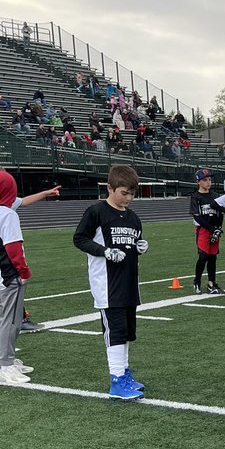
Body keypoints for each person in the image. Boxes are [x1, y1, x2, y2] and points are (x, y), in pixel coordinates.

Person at [73, 164, 148, 400]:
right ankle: (116, 381)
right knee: (114, 331)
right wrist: (104, 251)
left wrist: (139, 247)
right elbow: (79, 239)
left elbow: (131, 243)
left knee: (125, 332)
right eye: (124, 193)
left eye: (132, 194)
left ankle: (124, 372)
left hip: (128, 283)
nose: (128, 198)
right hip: (107, 284)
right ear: (110, 188)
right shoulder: (96, 212)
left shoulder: (133, 217)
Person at [0, 165, 58, 332]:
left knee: (11, 280)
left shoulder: (2, 199)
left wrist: (45, 193)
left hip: (1, 247)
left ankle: (18, 316)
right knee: (0, 283)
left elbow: (23, 201)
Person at [0, 171, 34, 384]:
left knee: (10, 319)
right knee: (10, 320)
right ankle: (5, 364)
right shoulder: (7, 214)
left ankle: (9, 359)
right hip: (9, 273)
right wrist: (23, 270)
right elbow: (13, 247)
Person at [189, 168, 225, 294]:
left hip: (215, 229)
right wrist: (212, 229)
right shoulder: (196, 196)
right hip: (203, 229)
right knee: (203, 256)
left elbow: (220, 213)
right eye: (205, 180)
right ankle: (197, 281)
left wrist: (218, 229)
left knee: (212, 257)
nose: (208, 182)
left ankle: (212, 283)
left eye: (209, 179)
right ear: (198, 182)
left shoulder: (215, 196)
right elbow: (196, 216)